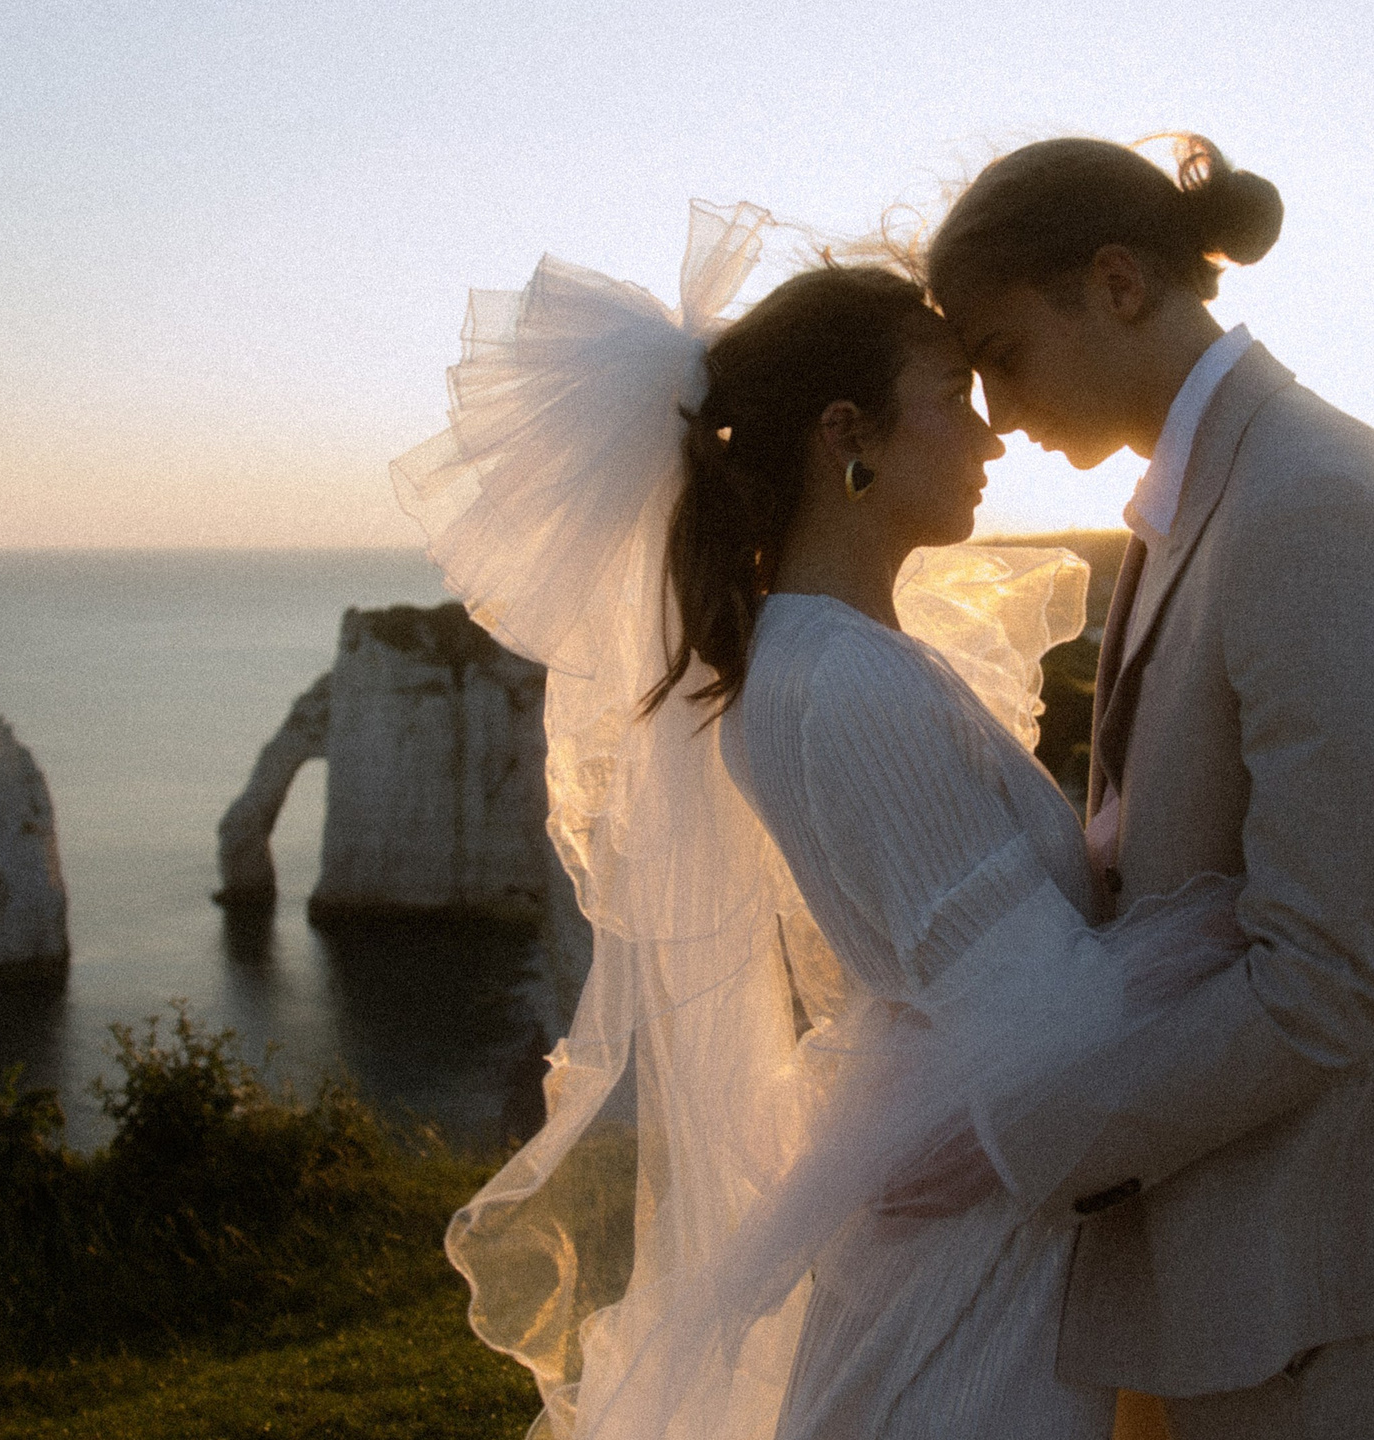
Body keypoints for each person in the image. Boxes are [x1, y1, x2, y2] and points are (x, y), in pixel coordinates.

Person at [400, 205, 1251, 1440]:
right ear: (846, 437)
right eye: (953, 397)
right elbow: (1053, 1021)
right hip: (973, 1270)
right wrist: (1250, 895)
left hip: (971, 1206)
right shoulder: (843, 682)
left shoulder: (834, 653)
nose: (991, 433)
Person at [925, 134, 1374, 1440]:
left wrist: (1029, 1142)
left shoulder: (1309, 502)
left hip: (1289, 1282)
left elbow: (1331, 980)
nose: (997, 413)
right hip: (1213, 1267)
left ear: (1117, 282)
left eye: (1004, 354)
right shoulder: (1220, 493)